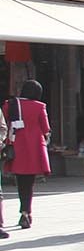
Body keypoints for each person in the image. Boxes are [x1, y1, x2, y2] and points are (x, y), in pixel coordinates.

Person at [5, 79, 52, 229]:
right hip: (34, 148)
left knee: (21, 181)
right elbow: (46, 129)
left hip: (16, 146)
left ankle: (24, 211)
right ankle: (26, 212)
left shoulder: (10, 104)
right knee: (29, 183)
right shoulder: (40, 107)